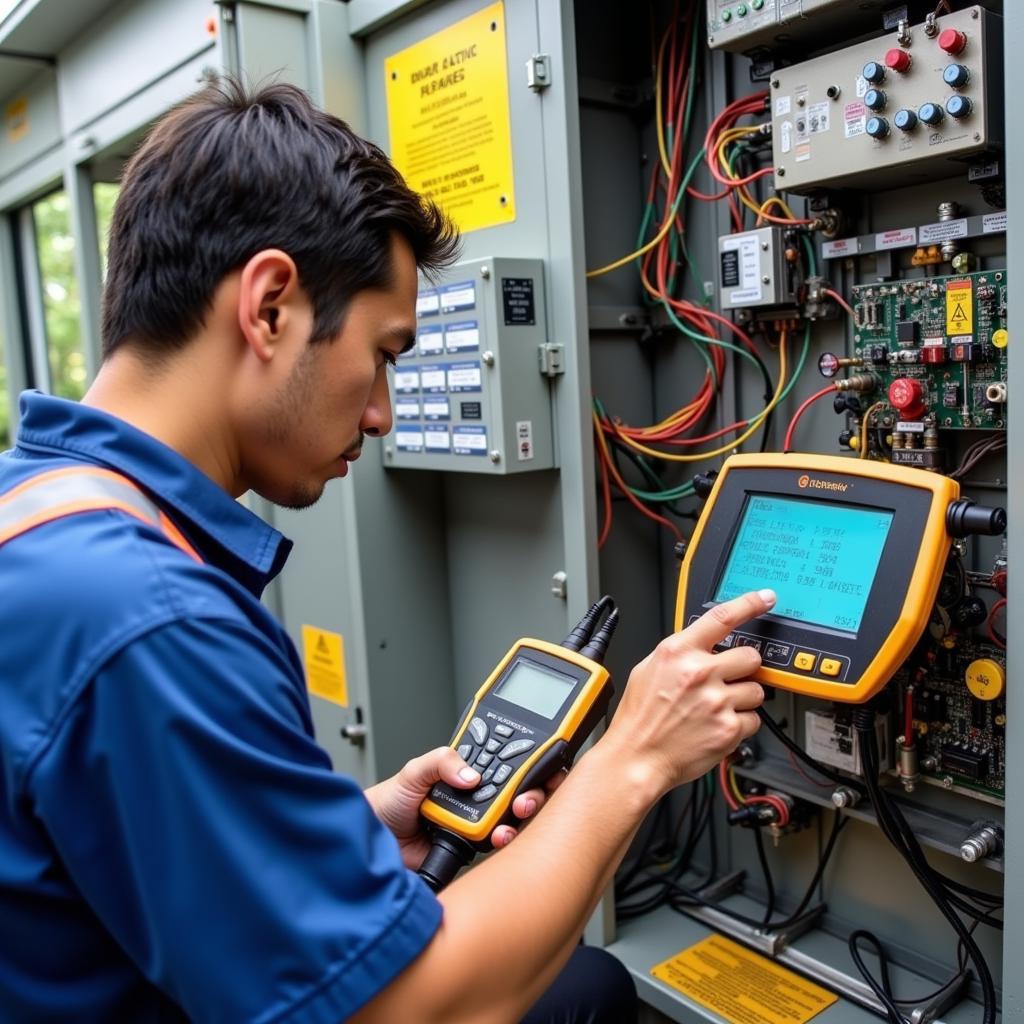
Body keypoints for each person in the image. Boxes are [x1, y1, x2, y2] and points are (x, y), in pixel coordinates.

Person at [0, 79, 771, 1023]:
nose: (381, 413)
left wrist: (347, 829)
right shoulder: (152, 618)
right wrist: (639, 757)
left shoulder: (37, 512)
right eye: (386, 353)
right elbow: (412, 1011)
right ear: (270, 305)